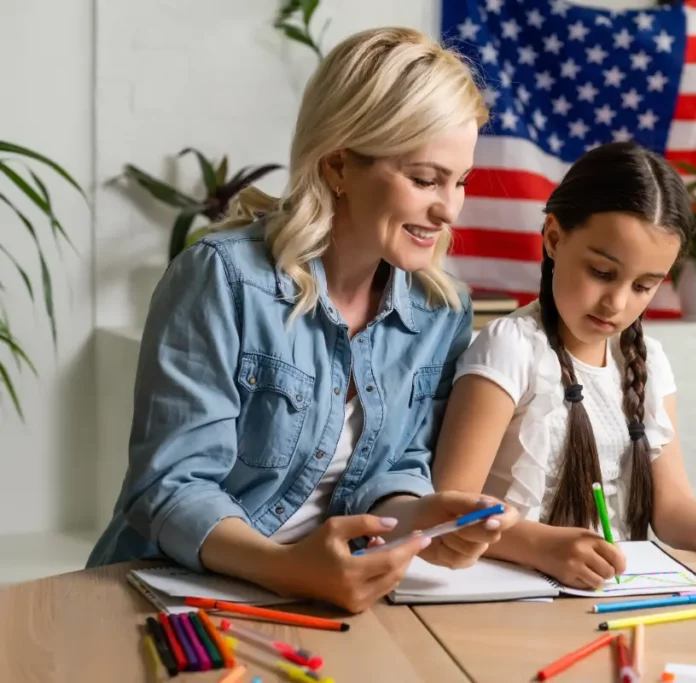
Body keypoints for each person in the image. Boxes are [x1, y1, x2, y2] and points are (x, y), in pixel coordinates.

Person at [87, 26, 518, 613]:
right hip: (170, 593)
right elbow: (170, 487)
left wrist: (422, 516)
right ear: (339, 165)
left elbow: (394, 470)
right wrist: (290, 570)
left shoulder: (441, 310)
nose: (449, 209)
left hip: (329, 602)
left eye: (460, 180)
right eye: (425, 179)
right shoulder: (221, 279)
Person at [431, 141, 696, 591]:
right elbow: (447, 511)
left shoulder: (648, 361)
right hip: (507, 593)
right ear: (553, 238)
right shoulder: (509, 349)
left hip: (606, 597)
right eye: (602, 273)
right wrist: (543, 546)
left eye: (645, 285)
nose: (617, 303)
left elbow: (671, 510)